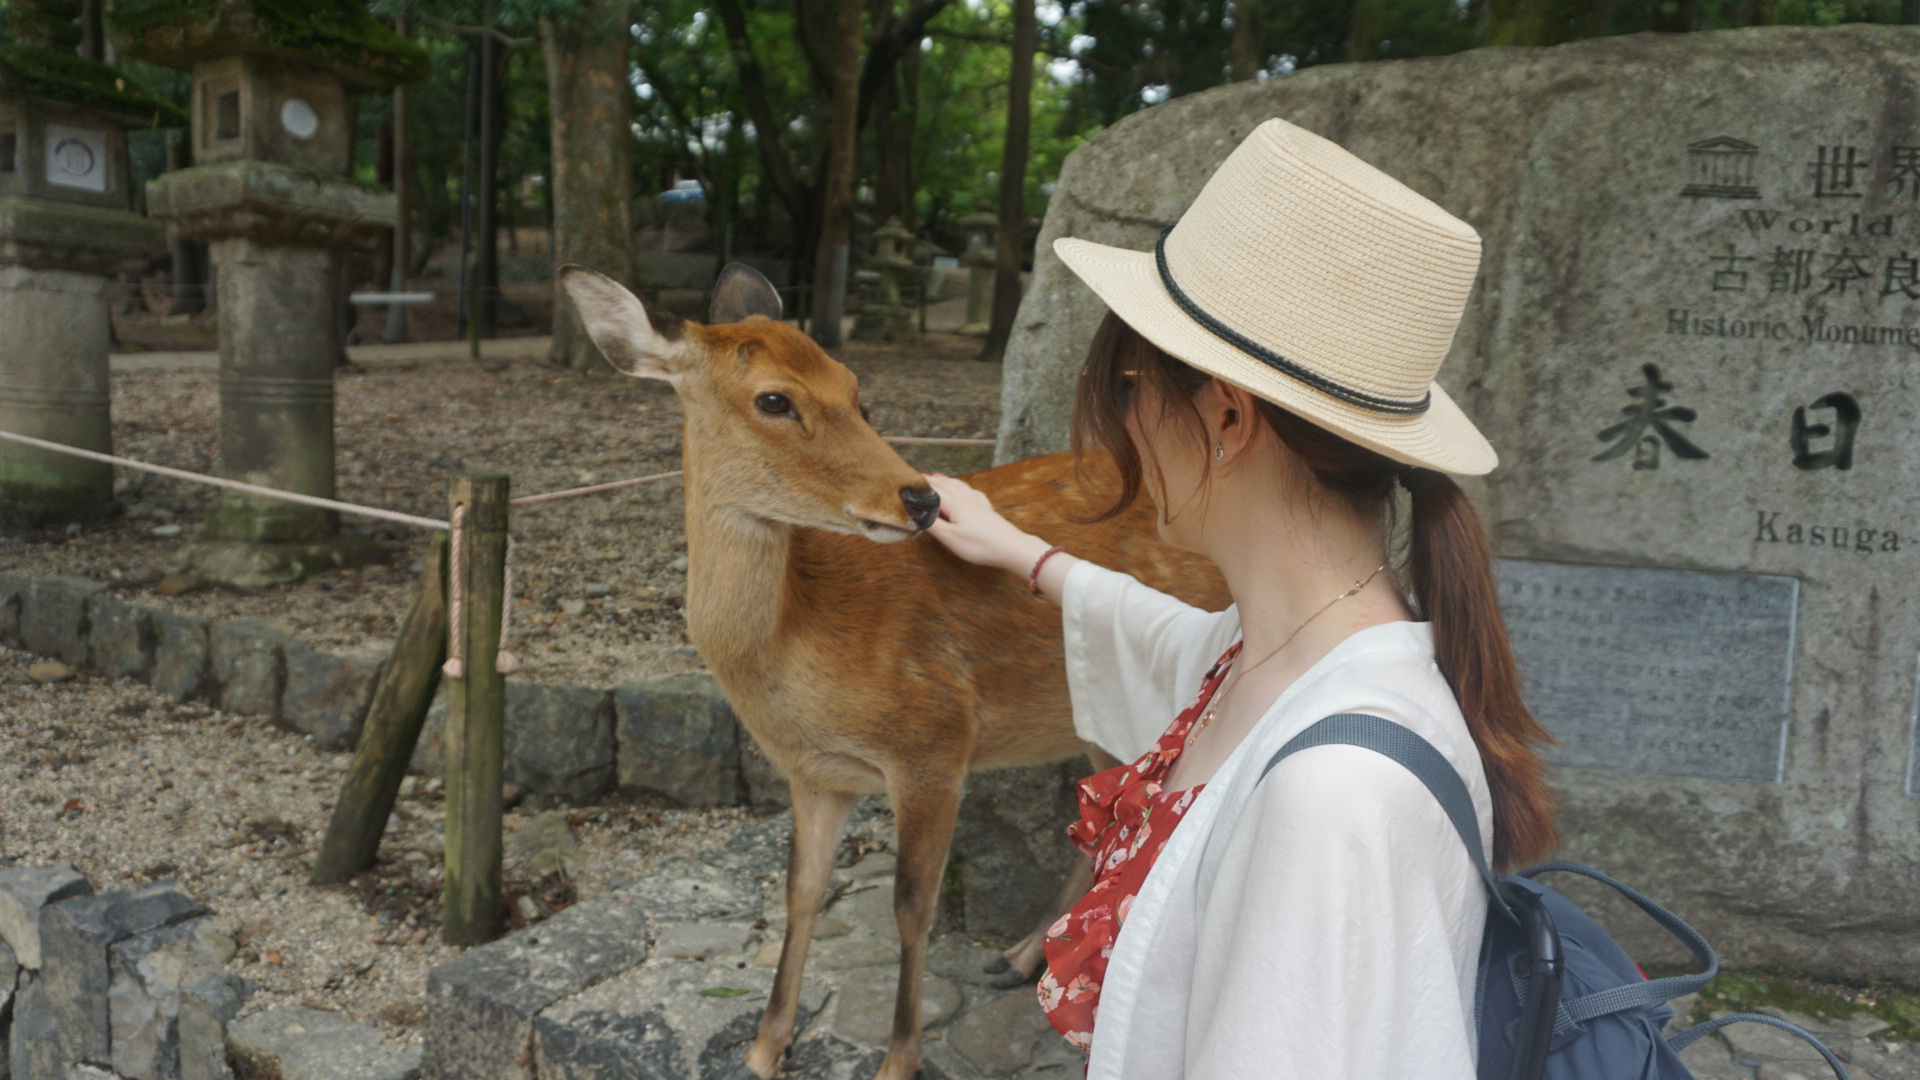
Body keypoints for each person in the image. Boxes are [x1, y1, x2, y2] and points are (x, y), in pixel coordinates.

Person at [921, 118, 1558, 1080]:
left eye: (1133, 384)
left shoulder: (1331, 797)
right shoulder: (1296, 649)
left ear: (1225, 416)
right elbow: (1176, 647)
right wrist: (1023, 554)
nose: (1126, 422)